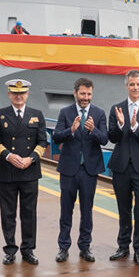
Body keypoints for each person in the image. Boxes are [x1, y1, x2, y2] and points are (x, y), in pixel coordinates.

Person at [0, 79, 47, 265]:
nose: (18, 96)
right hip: (8, 171)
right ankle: (10, 249)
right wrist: (8, 156)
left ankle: (28, 249)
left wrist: (31, 158)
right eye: (15, 93)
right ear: (9, 95)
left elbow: (42, 142)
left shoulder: (36, 115)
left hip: (30, 171)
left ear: (27, 94)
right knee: (8, 213)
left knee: (29, 212)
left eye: (22, 93)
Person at [53, 78, 108, 262]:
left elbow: (104, 139)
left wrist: (93, 130)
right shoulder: (65, 112)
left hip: (89, 170)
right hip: (69, 169)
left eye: (89, 94)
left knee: (87, 210)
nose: (86, 97)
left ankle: (85, 246)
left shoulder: (99, 114)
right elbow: (56, 137)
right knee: (66, 210)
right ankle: (63, 247)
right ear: (75, 93)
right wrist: (71, 129)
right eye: (82, 94)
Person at [107, 70, 139, 266]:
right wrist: (121, 126)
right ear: (126, 86)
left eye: (138, 84)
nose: (135, 87)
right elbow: (112, 138)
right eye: (131, 84)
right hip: (121, 166)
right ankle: (122, 246)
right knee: (123, 209)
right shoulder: (117, 109)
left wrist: (136, 127)